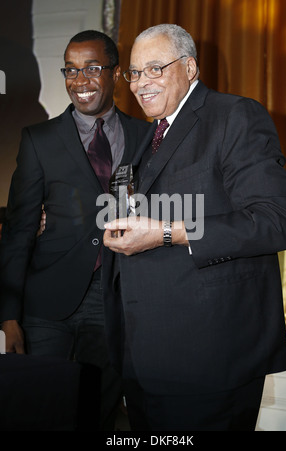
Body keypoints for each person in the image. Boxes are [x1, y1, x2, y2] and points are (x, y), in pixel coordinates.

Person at [103, 24, 286, 431]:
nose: (141, 84)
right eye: (134, 73)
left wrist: (168, 232)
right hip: (146, 356)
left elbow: (275, 222)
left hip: (210, 359)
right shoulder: (149, 135)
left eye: (155, 68)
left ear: (190, 67)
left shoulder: (234, 115)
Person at [0, 30, 150, 430]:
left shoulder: (147, 138)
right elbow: (18, 231)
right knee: (37, 411)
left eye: (92, 69)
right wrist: (8, 316)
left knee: (97, 411)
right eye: (71, 70)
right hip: (46, 303)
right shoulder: (39, 140)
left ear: (116, 74)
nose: (79, 81)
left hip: (115, 298)